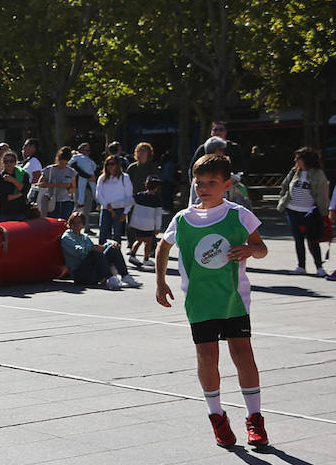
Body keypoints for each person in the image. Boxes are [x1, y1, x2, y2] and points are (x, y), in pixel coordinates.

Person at [156, 152, 269, 446]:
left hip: (234, 299)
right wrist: (160, 283)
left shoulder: (239, 215)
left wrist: (249, 250)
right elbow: (162, 248)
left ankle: (254, 419)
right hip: (200, 301)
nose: (203, 187)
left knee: (243, 354)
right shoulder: (183, 219)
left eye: (211, 182)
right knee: (208, 357)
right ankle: (217, 416)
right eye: (199, 182)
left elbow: (261, 248)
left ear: (227, 184)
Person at [275, 146, 330, 277]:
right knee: (298, 239)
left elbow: (322, 194)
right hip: (292, 210)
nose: (295, 160)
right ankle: (301, 266)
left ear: (306, 160)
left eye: (298, 158)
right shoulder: (294, 171)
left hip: (309, 212)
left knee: (312, 239)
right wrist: (283, 200)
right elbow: (285, 185)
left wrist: (324, 214)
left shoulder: (318, 174)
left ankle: (319, 267)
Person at [61, 210, 139, 289]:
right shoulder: (67, 237)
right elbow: (77, 251)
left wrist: (110, 244)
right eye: (74, 222)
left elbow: (99, 248)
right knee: (95, 252)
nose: (76, 225)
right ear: (70, 224)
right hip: (80, 275)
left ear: (83, 224)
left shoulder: (84, 237)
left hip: (92, 271)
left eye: (79, 222)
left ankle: (125, 276)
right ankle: (110, 278)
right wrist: (92, 248)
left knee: (113, 248)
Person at [127, 176, 165, 268]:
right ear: (156, 188)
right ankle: (146, 259)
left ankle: (133, 255)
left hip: (138, 223)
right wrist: (157, 227)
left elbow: (127, 202)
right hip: (149, 225)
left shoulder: (139, 195)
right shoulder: (156, 199)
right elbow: (158, 215)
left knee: (139, 240)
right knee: (148, 242)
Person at [95, 155, 133, 245]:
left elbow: (129, 196)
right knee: (103, 232)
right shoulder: (102, 178)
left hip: (120, 209)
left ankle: (116, 255)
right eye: (107, 164)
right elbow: (98, 194)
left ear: (117, 165)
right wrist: (108, 207)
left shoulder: (125, 177)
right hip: (105, 208)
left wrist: (125, 212)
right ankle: (101, 255)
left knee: (117, 234)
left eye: (112, 164)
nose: (110, 166)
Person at [0, 150, 30, 221]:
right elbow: (3, 198)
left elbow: (26, 190)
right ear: (3, 163)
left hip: (20, 213)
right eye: (6, 161)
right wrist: (20, 194)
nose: (9, 163)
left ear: (15, 162)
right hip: (4, 214)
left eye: (11, 161)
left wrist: (13, 180)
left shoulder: (23, 175)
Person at [40, 147, 77, 219]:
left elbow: (73, 189)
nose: (63, 165)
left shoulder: (71, 172)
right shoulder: (49, 170)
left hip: (66, 202)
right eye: (61, 162)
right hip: (50, 201)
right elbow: (40, 184)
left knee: (64, 224)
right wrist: (57, 185)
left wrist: (68, 187)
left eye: (65, 163)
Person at [69, 143, 97, 218]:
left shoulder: (89, 161)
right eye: (87, 150)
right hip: (78, 187)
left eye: (89, 151)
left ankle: (86, 227)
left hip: (88, 188)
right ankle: (73, 225)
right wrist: (88, 176)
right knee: (78, 208)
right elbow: (74, 168)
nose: (88, 152)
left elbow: (94, 169)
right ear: (81, 150)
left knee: (87, 210)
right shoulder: (76, 159)